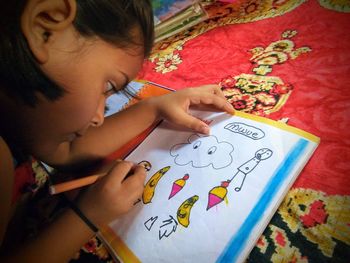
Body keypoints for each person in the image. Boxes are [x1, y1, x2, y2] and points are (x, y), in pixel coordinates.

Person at [0, 0, 234, 262]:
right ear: (46, 24)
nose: (100, 117)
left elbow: (64, 151)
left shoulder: (26, 122)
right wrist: (86, 217)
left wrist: (155, 107)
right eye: (107, 87)